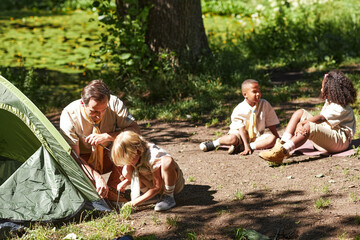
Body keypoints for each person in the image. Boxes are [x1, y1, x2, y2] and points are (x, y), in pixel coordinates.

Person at [60, 79, 141, 201]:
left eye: (103, 110)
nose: (100, 116)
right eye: (94, 111)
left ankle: (114, 191)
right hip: (84, 159)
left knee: (130, 144)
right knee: (95, 194)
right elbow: (74, 157)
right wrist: (97, 177)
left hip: (108, 154)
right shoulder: (69, 115)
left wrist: (108, 136)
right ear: (83, 103)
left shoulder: (114, 103)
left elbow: (135, 131)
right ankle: (100, 194)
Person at [259, 70, 357, 164]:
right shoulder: (332, 101)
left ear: (331, 90)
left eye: (323, 87)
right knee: (299, 113)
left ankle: (282, 152)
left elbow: (321, 118)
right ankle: (283, 143)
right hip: (327, 138)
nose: (321, 89)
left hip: (339, 143)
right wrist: (302, 122)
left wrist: (302, 123)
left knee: (309, 125)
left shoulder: (340, 107)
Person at [199, 79, 280, 155]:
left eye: (259, 91)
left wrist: (277, 137)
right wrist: (245, 144)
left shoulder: (264, 104)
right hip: (239, 136)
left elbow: (271, 122)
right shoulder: (239, 109)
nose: (258, 94)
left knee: (272, 139)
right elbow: (242, 129)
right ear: (245, 95)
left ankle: (245, 147)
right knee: (231, 139)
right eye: (254, 92)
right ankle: (215, 143)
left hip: (256, 137)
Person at [111, 131, 185, 211]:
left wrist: (134, 203)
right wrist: (126, 181)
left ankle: (168, 196)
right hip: (153, 185)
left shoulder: (152, 155)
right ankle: (152, 197)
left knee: (167, 162)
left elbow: (157, 187)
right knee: (126, 170)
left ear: (137, 151)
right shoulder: (137, 157)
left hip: (170, 184)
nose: (129, 163)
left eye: (130, 160)